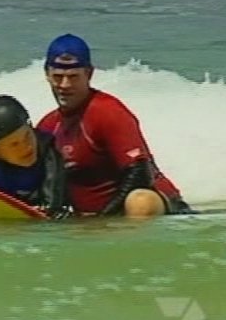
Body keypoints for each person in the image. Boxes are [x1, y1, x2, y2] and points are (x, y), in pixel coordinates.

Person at [36, 33, 195, 218]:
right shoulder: (48, 126)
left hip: (155, 208)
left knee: (140, 201)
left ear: (89, 74)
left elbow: (140, 175)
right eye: (58, 77)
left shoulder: (108, 112)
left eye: (73, 77)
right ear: (47, 75)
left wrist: (105, 220)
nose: (65, 85)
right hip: (92, 221)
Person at [0, 94, 72, 220]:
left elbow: (52, 207)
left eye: (28, 136)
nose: (27, 147)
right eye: (14, 144)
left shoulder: (48, 154)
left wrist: (50, 211)